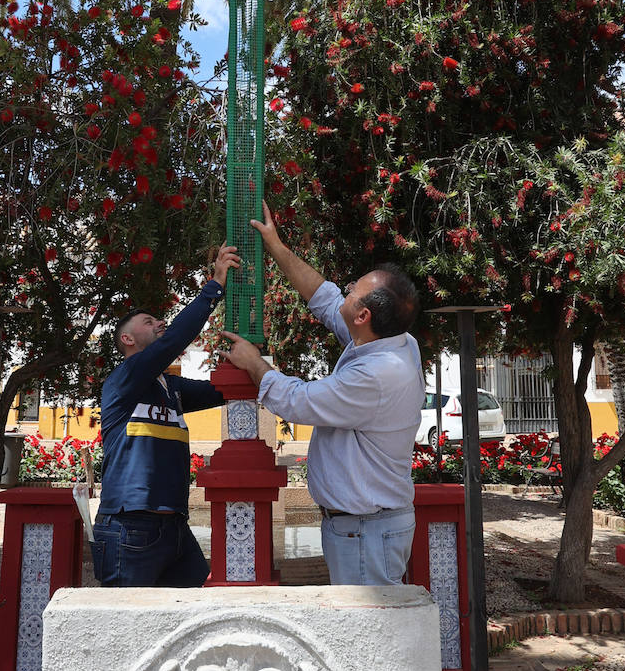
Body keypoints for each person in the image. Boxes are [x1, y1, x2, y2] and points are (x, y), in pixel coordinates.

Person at [221, 204, 423, 586]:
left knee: (364, 636)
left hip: (367, 530)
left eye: (354, 291)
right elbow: (325, 298)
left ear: (363, 317)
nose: (345, 290)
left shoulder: (378, 375)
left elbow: (299, 401)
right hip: (363, 526)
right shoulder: (392, 340)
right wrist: (276, 246)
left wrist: (254, 363)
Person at [93, 243, 240, 587]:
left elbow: (222, 391)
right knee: (128, 628)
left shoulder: (170, 387)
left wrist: (252, 363)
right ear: (127, 339)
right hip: (129, 526)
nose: (159, 322)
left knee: (199, 613)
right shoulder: (125, 378)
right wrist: (215, 285)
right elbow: (172, 341)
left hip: (174, 527)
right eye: (149, 321)